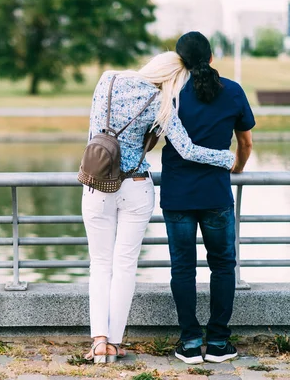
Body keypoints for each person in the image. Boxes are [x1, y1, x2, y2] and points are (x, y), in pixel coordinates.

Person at [82, 51, 236, 363]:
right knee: (125, 265)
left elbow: (93, 132)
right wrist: (227, 158)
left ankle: (99, 342)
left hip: (96, 183)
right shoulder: (158, 101)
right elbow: (187, 149)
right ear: (174, 81)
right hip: (136, 188)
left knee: (99, 264)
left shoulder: (107, 79)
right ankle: (114, 341)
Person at [160, 31, 255, 364]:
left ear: (179, 60)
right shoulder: (232, 90)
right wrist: (237, 169)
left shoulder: (169, 94)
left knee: (182, 269)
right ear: (212, 57)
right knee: (223, 266)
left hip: (177, 195)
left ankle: (188, 343)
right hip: (216, 192)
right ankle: (217, 343)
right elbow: (245, 144)